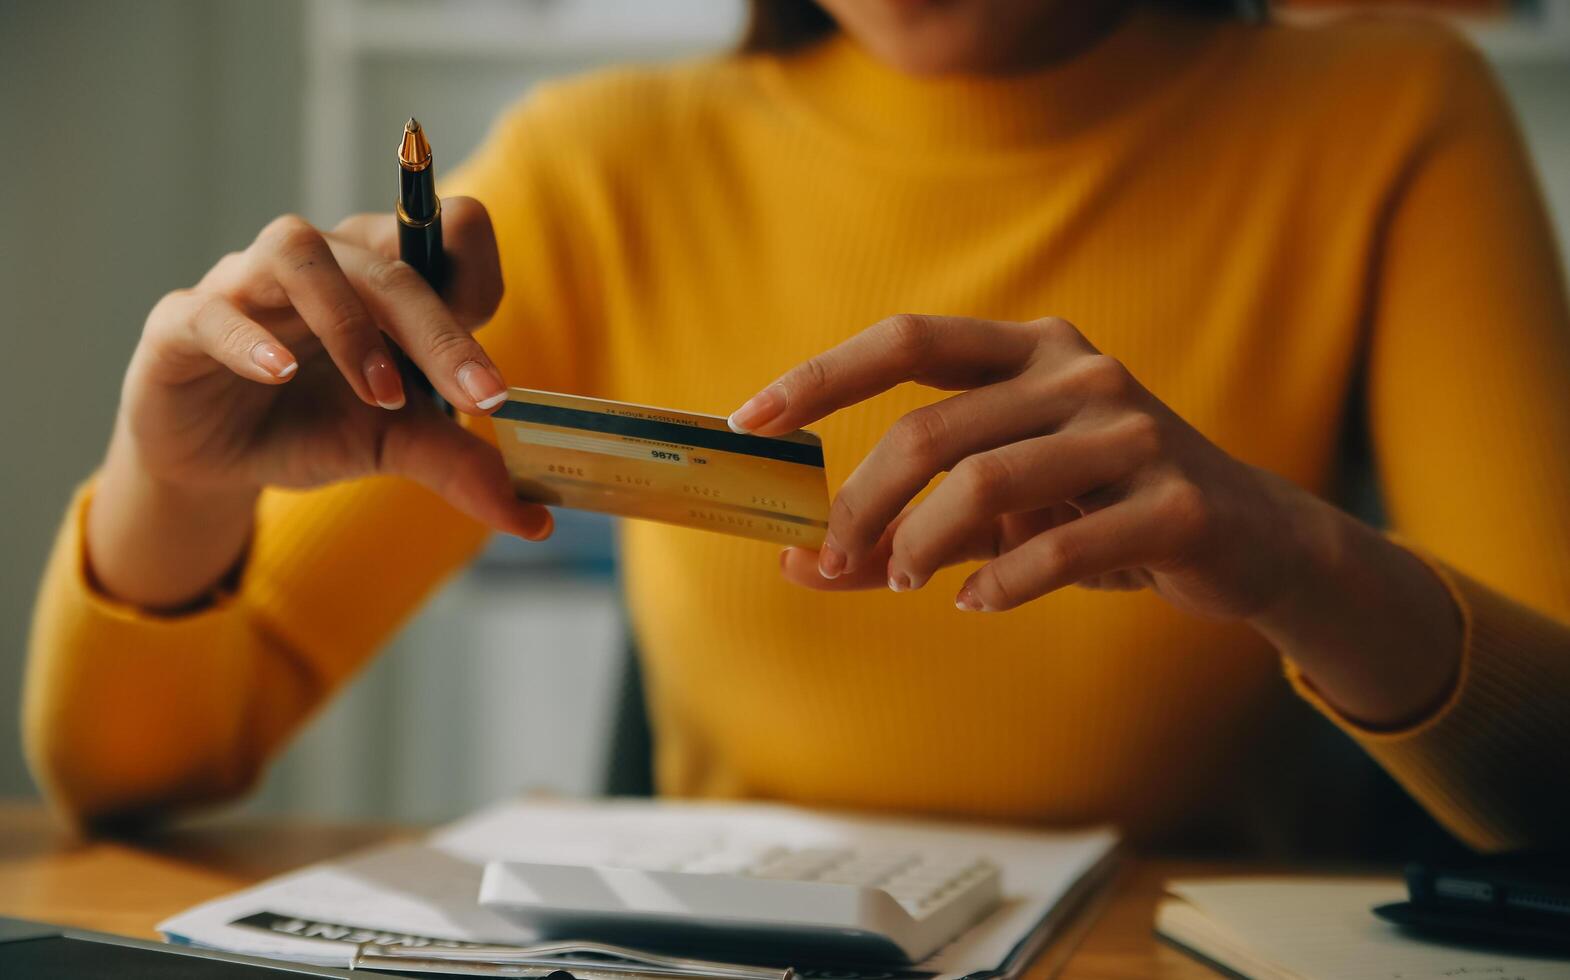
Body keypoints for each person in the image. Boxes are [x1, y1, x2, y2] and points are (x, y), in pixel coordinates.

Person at [23, 0, 1570, 852]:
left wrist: (1294, 554)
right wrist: (172, 476)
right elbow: (121, 777)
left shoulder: (1388, 110)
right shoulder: (598, 163)